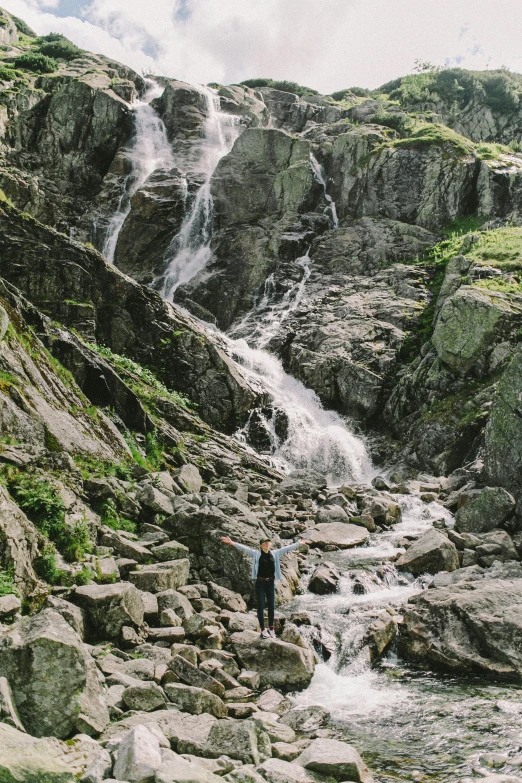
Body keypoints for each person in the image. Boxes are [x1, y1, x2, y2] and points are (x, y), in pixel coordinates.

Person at [221, 535, 305, 639]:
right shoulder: (256, 554)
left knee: (271, 606)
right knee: (260, 606)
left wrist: (298, 544)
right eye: (264, 543)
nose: (267, 544)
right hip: (260, 583)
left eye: (268, 542)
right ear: (261, 545)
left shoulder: (275, 553)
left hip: (270, 582)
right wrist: (231, 542)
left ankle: (271, 628)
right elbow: (244, 548)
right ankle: (263, 629)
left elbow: (286, 548)